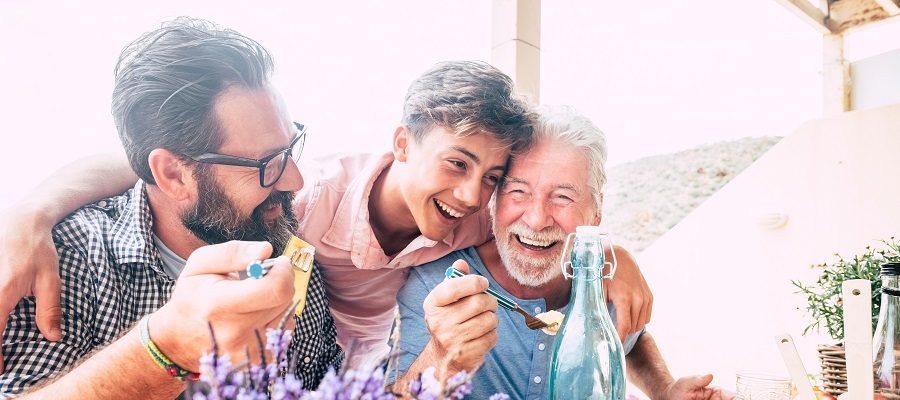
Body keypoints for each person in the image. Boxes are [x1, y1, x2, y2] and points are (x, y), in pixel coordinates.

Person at [0, 61, 653, 369]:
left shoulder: (475, 213)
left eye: (491, 177)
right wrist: (33, 208)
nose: (472, 194)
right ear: (402, 144)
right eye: (456, 164)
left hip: (373, 365)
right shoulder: (303, 198)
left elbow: (543, 228)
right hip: (296, 350)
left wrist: (614, 258)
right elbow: (174, 170)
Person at [0, 18, 342, 398]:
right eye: (266, 164)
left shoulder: (282, 243)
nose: (294, 181)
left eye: (290, 149)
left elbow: (322, 383)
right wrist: (165, 347)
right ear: (173, 175)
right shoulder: (67, 261)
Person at [392, 107, 731, 400]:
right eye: (518, 191)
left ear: (595, 213)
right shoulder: (436, 284)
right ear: (494, 200)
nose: (537, 220)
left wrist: (664, 389)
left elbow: (628, 340)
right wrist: (440, 354)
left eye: (563, 197)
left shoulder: (602, 282)